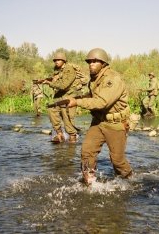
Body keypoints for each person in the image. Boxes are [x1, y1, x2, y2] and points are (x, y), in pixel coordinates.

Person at [67, 48, 133, 185]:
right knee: (86, 152)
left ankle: (130, 182)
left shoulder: (113, 79)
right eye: (89, 62)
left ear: (103, 63)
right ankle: (89, 182)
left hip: (115, 123)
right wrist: (74, 98)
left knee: (117, 161)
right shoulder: (95, 78)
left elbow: (102, 102)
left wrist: (77, 102)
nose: (91, 64)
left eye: (95, 61)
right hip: (98, 122)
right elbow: (93, 96)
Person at [42, 51, 82, 144]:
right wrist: (47, 80)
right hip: (60, 96)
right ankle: (59, 134)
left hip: (69, 97)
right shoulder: (57, 70)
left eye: (59, 60)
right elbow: (57, 81)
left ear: (64, 60)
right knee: (51, 108)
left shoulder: (69, 69)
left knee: (67, 119)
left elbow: (64, 85)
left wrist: (50, 83)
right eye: (55, 60)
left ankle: (73, 138)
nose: (56, 61)